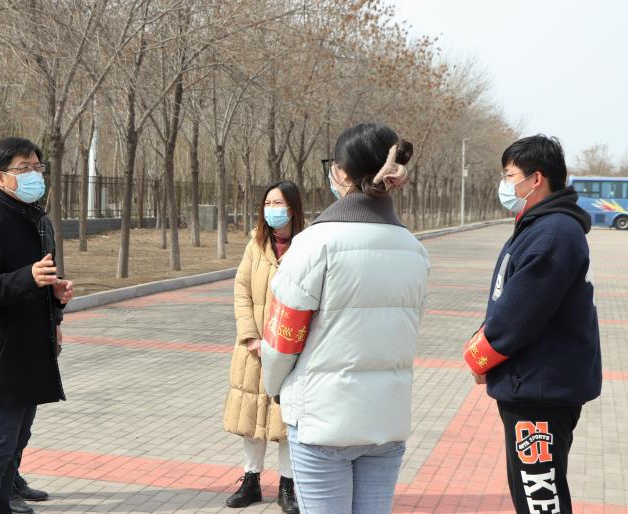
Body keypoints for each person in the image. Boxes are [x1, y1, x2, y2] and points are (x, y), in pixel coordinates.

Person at [260, 123, 430, 514]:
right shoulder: (413, 249)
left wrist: (274, 386)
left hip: (322, 421)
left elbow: (283, 340)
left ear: (340, 172)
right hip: (386, 419)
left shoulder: (313, 244)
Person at [463, 135, 601, 514]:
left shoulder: (553, 233)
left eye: (509, 176)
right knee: (535, 493)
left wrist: (479, 356)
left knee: (541, 498)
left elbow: (518, 316)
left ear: (535, 178)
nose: (505, 185)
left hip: (540, 393)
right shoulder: (542, 227)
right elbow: (507, 298)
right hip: (536, 386)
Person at [0, 137, 74, 514]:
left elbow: (42, 277)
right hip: (2, 357)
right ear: (0, 177)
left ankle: (3, 506)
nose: (34, 175)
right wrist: (28, 277)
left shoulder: (36, 219)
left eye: (38, 167)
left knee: (12, 445)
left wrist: (56, 298)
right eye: (23, 169)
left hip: (32, 351)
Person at [223, 180, 305, 513]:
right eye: (268, 204)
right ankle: (251, 480)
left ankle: (288, 486)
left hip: (290, 350)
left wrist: (290, 343)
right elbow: (241, 291)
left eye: (278, 203)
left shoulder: (307, 246)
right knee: (251, 416)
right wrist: (251, 336)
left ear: (293, 208)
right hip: (254, 350)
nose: (272, 210)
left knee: (286, 420)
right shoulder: (255, 245)